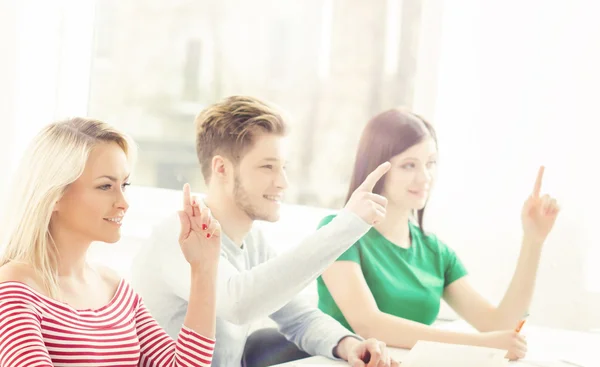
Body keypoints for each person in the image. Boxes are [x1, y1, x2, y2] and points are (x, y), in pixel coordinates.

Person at [132, 96, 399, 367]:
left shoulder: (252, 240)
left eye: (283, 167)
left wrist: (349, 345)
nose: (283, 182)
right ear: (221, 168)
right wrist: (346, 225)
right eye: (268, 167)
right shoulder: (179, 237)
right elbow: (239, 303)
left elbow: (299, 317)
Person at [316, 108, 561, 361]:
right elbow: (369, 324)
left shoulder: (435, 252)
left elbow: (500, 326)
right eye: (409, 165)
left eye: (430, 163)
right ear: (376, 168)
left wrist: (533, 240)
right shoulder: (339, 232)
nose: (424, 177)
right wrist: (478, 344)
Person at [0, 118, 219, 367]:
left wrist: (204, 268)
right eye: (105, 186)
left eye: (124, 184)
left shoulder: (116, 291)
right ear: (54, 196)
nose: (123, 202)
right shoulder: (13, 291)